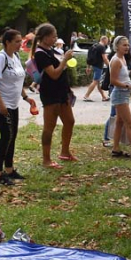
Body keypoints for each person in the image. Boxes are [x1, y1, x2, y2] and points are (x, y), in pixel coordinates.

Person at [0, 29, 36, 188]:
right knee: (6, 136)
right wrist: (1, 103)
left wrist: (26, 98)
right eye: (16, 41)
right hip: (1, 104)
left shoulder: (15, 57)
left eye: (20, 41)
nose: (20, 44)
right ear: (7, 42)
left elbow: (18, 81)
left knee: (12, 136)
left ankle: (9, 169)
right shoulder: (1, 58)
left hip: (13, 104)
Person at [33, 23, 77, 168]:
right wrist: (64, 60)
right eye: (53, 37)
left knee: (69, 121)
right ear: (45, 38)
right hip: (50, 94)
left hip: (62, 92)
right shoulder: (40, 54)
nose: (55, 39)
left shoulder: (50, 50)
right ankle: (46, 159)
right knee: (49, 127)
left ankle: (65, 152)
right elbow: (53, 74)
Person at [108, 35, 131, 158]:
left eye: (128, 45)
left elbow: (122, 75)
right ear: (117, 46)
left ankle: (115, 149)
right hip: (120, 94)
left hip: (123, 94)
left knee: (120, 122)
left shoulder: (122, 58)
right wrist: (129, 86)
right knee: (129, 124)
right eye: (124, 45)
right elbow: (113, 81)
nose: (127, 47)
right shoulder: (116, 60)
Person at [83, 35, 110, 102]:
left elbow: (89, 57)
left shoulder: (94, 46)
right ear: (104, 40)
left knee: (98, 82)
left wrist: (88, 67)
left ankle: (103, 97)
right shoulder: (102, 47)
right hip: (99, 66)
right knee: (95, 81)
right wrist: (110, 66)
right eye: (107, 41)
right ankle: (86, 95)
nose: (107, 42)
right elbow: (105, 58)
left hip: (93, 65)